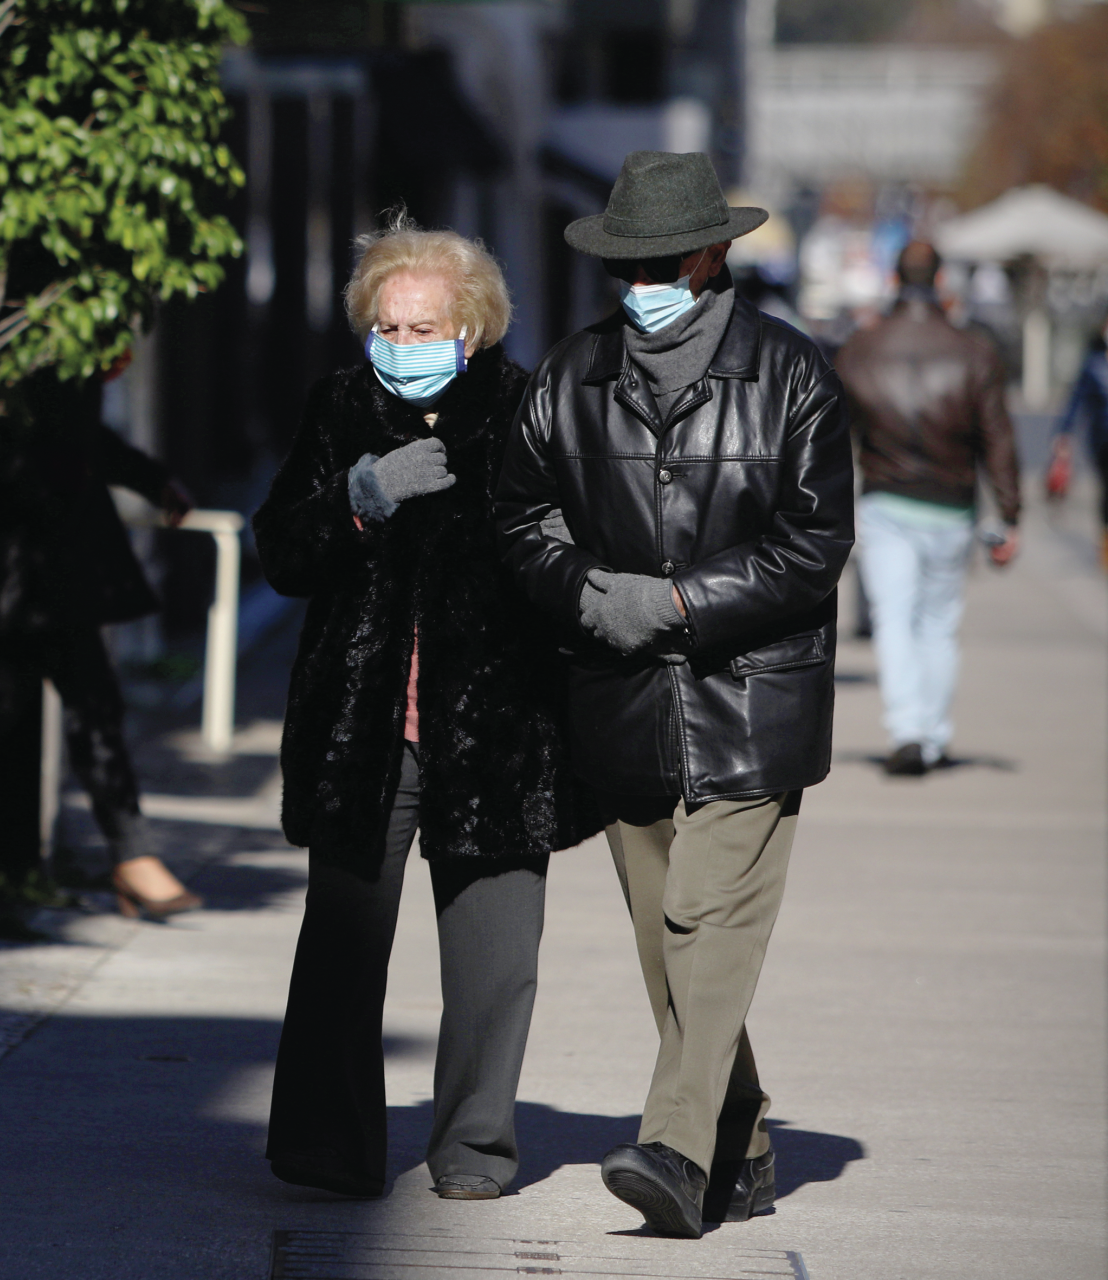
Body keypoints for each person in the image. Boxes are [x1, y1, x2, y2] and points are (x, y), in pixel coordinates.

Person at [496, 151, 854, 1237]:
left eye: (661, 259)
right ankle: (740, 1144)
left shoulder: (792, 372)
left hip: (755, 698)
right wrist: (592, 593)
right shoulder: (571, 373)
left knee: (708, 919)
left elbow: (815, 542)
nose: (641, 277)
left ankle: (675, 1152)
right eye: (626, 259)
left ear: (712, 254)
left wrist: (684, 603)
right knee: (669, 941)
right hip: (619, 700)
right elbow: (519, 519)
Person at [255, 214, 600, 1202]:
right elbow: (281, 548)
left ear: (475, 327)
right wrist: (359, 495)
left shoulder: (530, 412)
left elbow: (567, 563)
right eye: (388, 328)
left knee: (495, 963)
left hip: (498, 731)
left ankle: (475, 1147)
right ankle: (327, 1142)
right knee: (341, 948)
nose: (402, 348)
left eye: (423, 329)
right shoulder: (339, 408)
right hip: (362, 730)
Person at [0, 367, 201, 920]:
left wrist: (148, 478)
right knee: (61, 705)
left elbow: (78, 435)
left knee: (63, 704)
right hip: (24, 552)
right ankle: (113, 858)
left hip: (49, 553)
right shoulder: (40, 335)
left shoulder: (61, 343)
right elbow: (57, 436)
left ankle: (28, 868)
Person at [834, 240, 1021, 777]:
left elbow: (829, 438)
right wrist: (1009, 515)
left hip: (885, 498)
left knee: (893, 617)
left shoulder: (861, 348)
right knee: (937, 624)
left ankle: (908, 730)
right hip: (951, 506)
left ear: (894, 280)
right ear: (941, 283)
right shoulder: (974, 350)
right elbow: (999, 438)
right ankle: (932, 736)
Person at [1049, 314, 1108, 570]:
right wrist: (1064, 434)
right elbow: (1076, 402)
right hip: (1102, 440)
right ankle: (1105, 541)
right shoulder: (1094, 365)